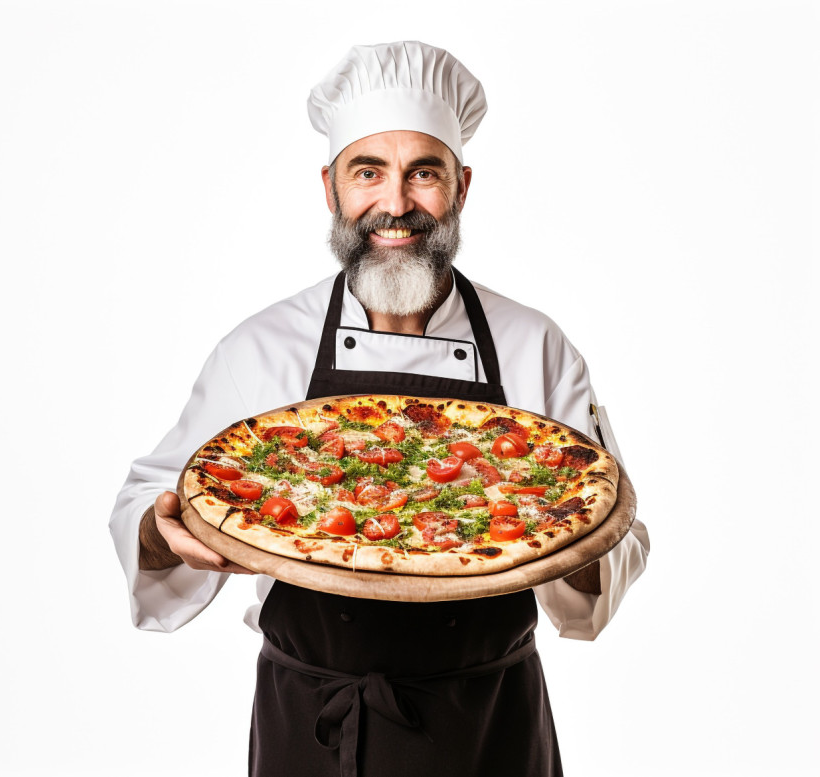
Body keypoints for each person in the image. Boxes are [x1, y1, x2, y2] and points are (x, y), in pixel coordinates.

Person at [110, 41, 649, 777]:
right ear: (330, 189)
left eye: (423, 173)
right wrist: (160, 531)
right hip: (313, 727)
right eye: (369, 172)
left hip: (490, 724)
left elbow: (616, 534)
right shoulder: (262, 349)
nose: (395, 204)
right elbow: (151, 500)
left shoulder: (535, 345)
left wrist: (576, 546)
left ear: (460, 187)